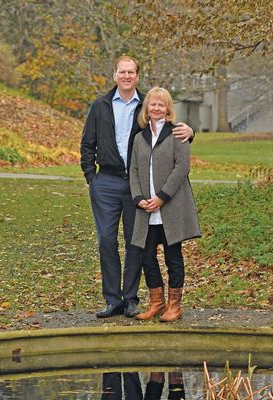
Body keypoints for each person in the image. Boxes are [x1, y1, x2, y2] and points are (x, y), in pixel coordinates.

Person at [80, 55, 195, 319]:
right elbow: (87, 144)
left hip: (138, 185)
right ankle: (113, 299)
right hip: (106, 182)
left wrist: (191, 133)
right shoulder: (100, 106)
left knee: (136, 243)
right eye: (122, 72)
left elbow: (167, 133)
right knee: (106, 241)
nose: (127, 76)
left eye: (131, 72)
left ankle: (130, 298)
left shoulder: (146, 104)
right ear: (115, 75)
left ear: (137, 76)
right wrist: (91, 177)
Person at [129, 87, 201, 322]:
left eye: (161, 105)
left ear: (168, 109)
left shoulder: (178, 133)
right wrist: (140, 198)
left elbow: (182, 168)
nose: (157, 108)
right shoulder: (140, 138)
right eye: (153, 104)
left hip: (169, 206)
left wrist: (161, 197)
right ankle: (157, 303)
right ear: (146, 108)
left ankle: (174, 306)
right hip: (146, 208)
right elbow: (135, 171)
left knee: (173, 257)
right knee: (146, 256)